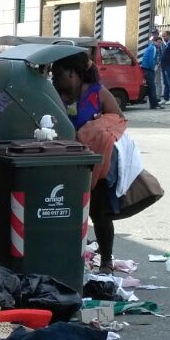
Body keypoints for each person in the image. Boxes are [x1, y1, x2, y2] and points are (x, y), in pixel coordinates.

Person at [50, 54, 127, 275]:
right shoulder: (55, 96)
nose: (55, 79)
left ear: (72, 73)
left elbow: (118, 120)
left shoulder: (98, 93)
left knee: (100, 213)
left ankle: (106, 261)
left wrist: (94, 129)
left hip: (97, 164)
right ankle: (71, 259)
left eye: (58, 74)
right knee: (67, 213)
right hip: (65, 163)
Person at [138, 34, 160, 109]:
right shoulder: (153, 48)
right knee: (152, 87)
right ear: (154, 41)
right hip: (149, 70)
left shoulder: (150, 47)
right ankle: (154, 104)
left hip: (145, 69)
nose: (160, 44)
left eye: (161, 43)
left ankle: (153, 104)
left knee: (150, 87)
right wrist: (153, 68)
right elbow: (151, 60)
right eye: (158, 42)